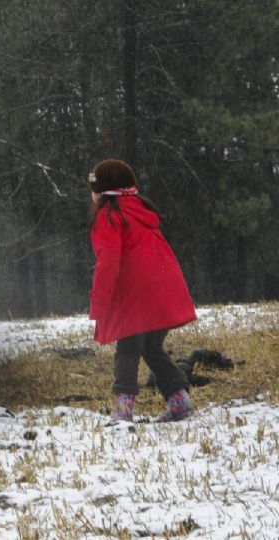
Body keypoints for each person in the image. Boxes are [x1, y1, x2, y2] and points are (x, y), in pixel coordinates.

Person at [87, 159, 197, 423]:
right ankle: (179, 401)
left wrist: (99, 302)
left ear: (103, 191)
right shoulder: (140, 209)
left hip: (134, 294)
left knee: (127, 349)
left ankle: (123, 412)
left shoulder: (108, 215)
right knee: (151, 347)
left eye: (93, 187)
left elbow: (108, 261)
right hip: (163, 289)